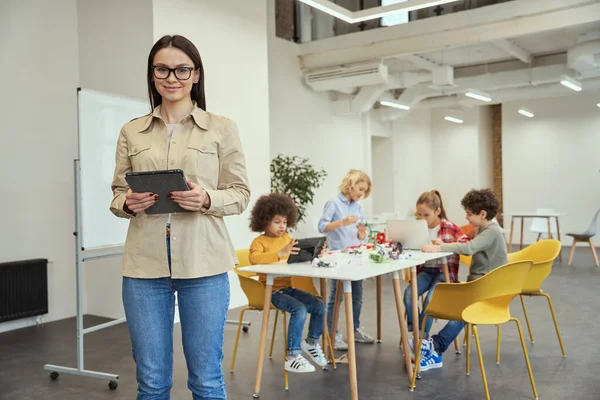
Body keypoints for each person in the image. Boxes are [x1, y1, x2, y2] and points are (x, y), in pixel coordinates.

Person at [110, 34, 250, 399]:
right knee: (152, 382)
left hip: (204, 266)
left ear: (196, 75)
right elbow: (116, 194)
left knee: (206, 379)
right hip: (144, 269)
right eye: (162, 69)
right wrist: (129, 203)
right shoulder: (131, 131)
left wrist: (206, 198)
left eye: (181, 69)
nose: (172, 77)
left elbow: (240, 194)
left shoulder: (222, 128)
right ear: (152, 74)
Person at [415, 188, 508, 372]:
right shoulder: (484, 227)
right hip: (481, 283)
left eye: (469, 214)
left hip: (489, 286)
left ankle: (435, 346)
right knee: (459, 308)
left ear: (482, 214)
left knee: (464, 311)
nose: (466, 218)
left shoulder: (492, 231)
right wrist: (446, 244)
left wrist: (438, 249)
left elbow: (470, 248)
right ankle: (432, 345)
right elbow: (467, 242)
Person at [248, 193, 327, 373]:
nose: (282, 226)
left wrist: (316, 254)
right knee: (299, 309)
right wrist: (280, 253)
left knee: (320, 306)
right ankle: (292, 356)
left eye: (284, 222)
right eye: (277, 222)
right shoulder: (259, 241)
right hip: (271, 292)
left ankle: (311, 343)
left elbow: (299, 256)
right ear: (264, 220)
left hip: (288, 289)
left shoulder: (288, 239)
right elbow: (254, 259)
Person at [318, 169, 373, 350]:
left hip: (354, 256)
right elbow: (322, 227)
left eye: (364, 191)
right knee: (336, 297)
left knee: (357, 296)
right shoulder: (333, 203)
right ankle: (331, 334)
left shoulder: (358, 207)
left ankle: (354, 329)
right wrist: (341, 222)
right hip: (337, 258)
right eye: (360, 189)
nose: (362, 193)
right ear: (351, 184)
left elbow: (359, 236)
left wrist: (362, 233)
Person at [404, 190, 468, 341]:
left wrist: (445, 245)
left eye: (426, 215)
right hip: (425, 270)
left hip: (443, 273)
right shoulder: (417, 227)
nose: (422, 218)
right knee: (408, 295)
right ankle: (416, 329)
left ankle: (421, 336)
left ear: (438, 211)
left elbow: (465, 243)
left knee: (430, 301)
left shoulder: (449, 227)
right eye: (419, 214)